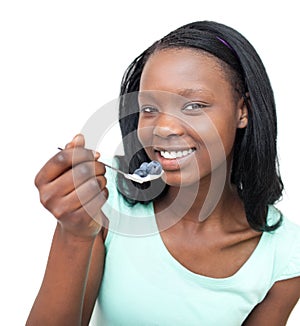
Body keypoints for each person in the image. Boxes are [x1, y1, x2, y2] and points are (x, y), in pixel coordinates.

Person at [26, 21, 300, 325]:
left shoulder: (283, 254)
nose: (165, 128)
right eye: (149, 109)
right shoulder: (105, 201)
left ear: (242, 111)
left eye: (194, 105)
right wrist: (74, 234)